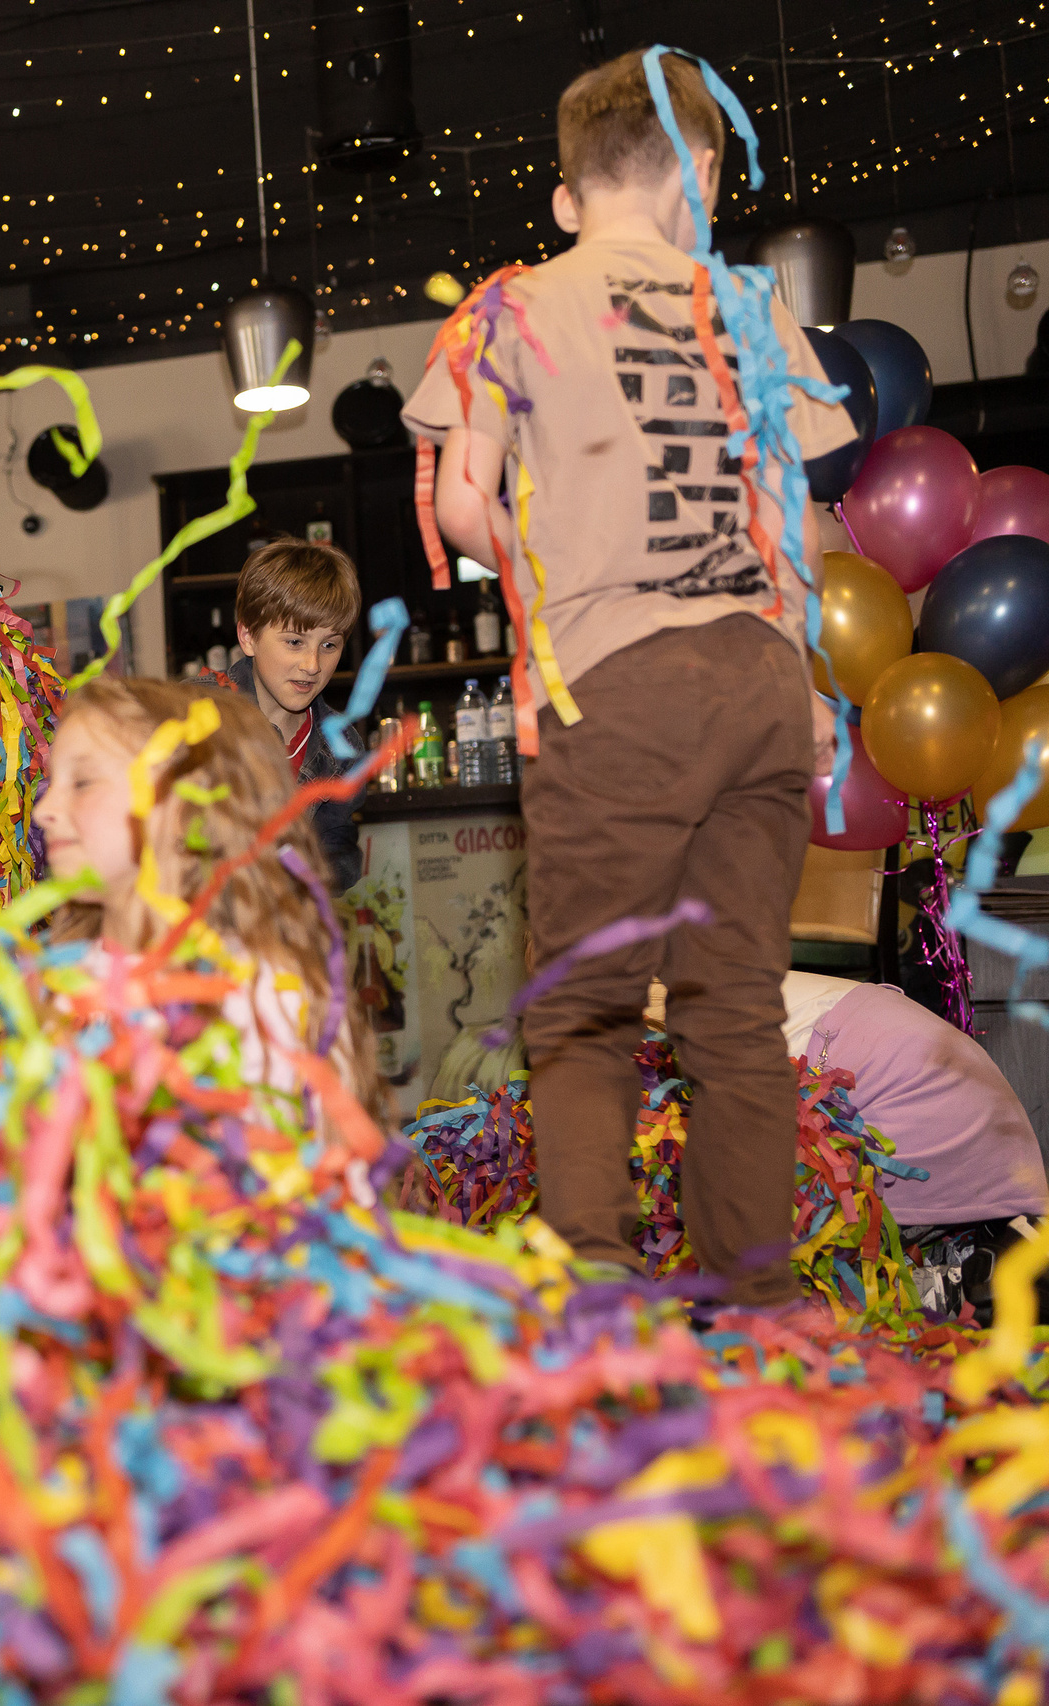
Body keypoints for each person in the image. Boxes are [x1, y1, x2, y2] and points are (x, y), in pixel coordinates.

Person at [403, 49, 854, 1307]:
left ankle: (601, 1296)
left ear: (564, 197)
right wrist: (800, 678)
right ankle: (757, 1304)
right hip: (759, 681)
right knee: (736, 1009)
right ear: (699, 173)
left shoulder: (510, 307)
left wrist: (551, 569)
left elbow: (462, 503)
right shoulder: (752, 306)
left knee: (585, 1008)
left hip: (617, 680)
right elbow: (799, 526)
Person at [32, 674, 381, 1121]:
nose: (44, 810)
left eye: (82, 782)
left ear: (184, 805)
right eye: (52, 782)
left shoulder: (265, 1000)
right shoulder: (64, 982)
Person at [781, 970, 1049, 1320]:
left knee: (793, 1278)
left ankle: (946, 1291)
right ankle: (984, 1257)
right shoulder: (750, 982)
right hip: (989, 1139)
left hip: (912, 1115)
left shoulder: (720, 1012)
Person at [218, 537, 365, 894]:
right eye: (295, 642)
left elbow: (339, 857)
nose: (312, 665)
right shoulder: (194, 713)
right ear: (248, 636)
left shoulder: (343, 749)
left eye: (329, 645)